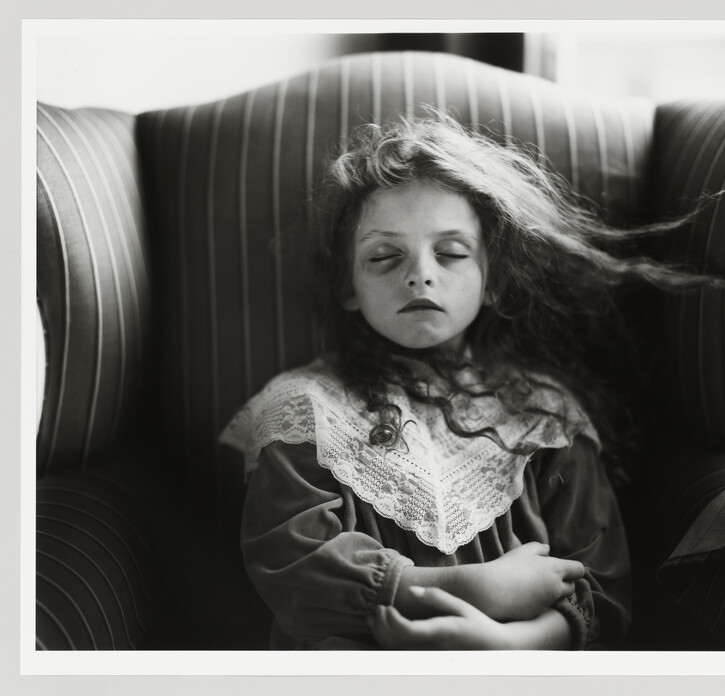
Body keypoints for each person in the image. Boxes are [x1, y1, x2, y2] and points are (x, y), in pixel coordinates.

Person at [220, 111, 699, 650]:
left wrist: (511, 648)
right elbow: (289, 562)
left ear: (491, 279)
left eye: (450, 253)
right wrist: (470, 587)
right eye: (384, 256)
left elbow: (602, 586)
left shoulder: (545, 415)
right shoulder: (304, 405)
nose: (421, 273)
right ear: (347, 286)